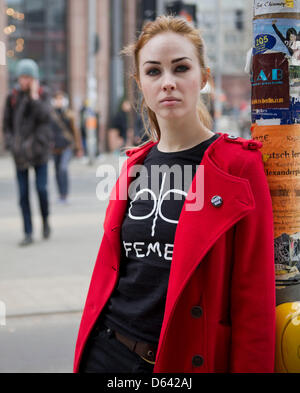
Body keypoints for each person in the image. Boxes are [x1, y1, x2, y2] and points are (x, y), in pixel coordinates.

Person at [74, 15, 276, 373]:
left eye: (180, 68)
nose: (167, 82)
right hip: (107, 352)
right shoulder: (134, 164)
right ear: (140, 84)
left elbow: (254, 305)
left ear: (203, 78)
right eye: (153, 72)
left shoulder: (237, 166)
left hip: (181, 360)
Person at [3, 59, 53, 246]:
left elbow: (45, 117)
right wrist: (11, 143)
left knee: (41, 190)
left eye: (28, 77)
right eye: (22, 77)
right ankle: (28, 232)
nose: (24, 81)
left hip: (39, 151)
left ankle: (45, 220)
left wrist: (34, 98)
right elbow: (7, 124)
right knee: (23, 195)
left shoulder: (43, 94)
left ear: (34, 79)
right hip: (20, 153)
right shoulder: (13, 97)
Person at [51, 90, 83, 203]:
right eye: (57, 99)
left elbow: (76, 132)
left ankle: (65, 194)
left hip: (67, 147)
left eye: (61, 99)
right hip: (54, 148)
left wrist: (79, 148)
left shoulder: (69, 114)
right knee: (56, 171)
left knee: (63, 169)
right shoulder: (51, 114)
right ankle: (60, 194)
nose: (59, 101)